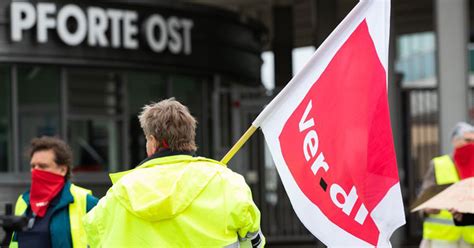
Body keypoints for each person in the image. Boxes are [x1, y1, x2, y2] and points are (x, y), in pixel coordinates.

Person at [84, 98, 264, 247]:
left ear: (153, 142)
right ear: (189, 138)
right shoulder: (227, 183)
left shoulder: (117, 195)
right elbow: (254, 242)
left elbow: (91, 240)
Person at [10, 137, 98, 248]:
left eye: (42, 166)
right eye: (33, 166)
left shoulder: (85, 201)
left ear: (63, 170)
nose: (35, 171)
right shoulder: (24, 201)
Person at [419, 122, 474, 248]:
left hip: (470, 238)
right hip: (442, 238)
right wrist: (428, 208)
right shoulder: (439, 165)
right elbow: (424, 198)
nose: (472, 144)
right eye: (468, 140)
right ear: (455, 141)